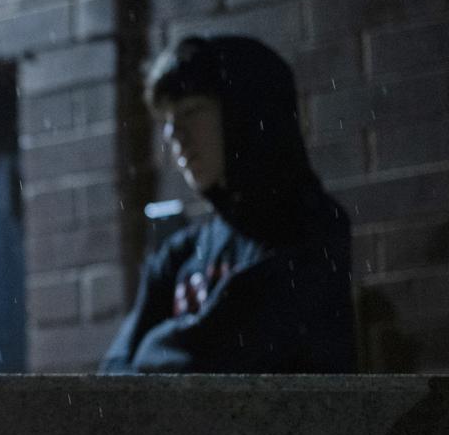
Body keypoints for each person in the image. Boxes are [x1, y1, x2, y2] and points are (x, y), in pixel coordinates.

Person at [99, 34, 355, 374]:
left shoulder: (312, 228)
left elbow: (218, 359)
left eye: (191, 111)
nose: (174, 136)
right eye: (168, 121)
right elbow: (113, 371)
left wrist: (152, 353)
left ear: (244, 114)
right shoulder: (181, 254)